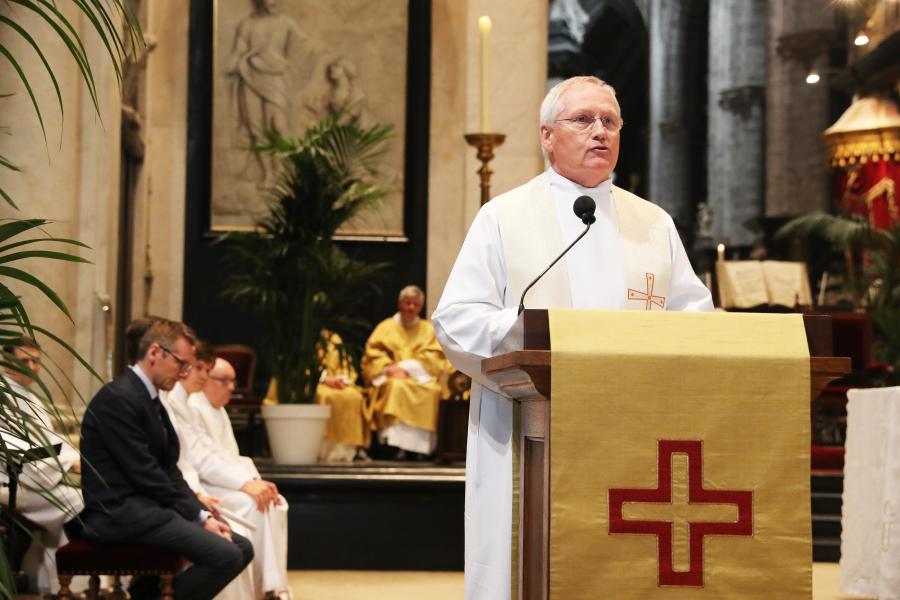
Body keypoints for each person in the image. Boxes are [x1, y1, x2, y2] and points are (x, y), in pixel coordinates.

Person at [431, 76, 714, 599]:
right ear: (546, 135)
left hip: (635, 430)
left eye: (610, 121)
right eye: (583, 119)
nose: (599, 132)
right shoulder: (504, 217)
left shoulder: (653, 223)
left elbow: (695, 314)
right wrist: (524, 332)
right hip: (533, 425)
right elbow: (456, 318)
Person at [80, 320, 253, 600]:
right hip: (120, 514)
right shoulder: (119, 398)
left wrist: (202, 514)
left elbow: (169, 469)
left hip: (148, 508)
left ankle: (144, 594)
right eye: (181, 364)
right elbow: (145, 473)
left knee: (242, 547)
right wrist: (196, 517)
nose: (185, 373)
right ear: (155, 353)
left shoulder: (150, 397)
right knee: (226, 555)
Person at [157, 340, 257, 600]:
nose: (194, 373)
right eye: (193, 366)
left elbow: (187, 460)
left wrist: (196, 497)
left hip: (180, 492)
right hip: (147, 505)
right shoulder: (144, 400)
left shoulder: (177, 402)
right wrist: (196, 501)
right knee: (232, 541)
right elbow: (160, 467)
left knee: (241, 540)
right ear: (154, 355)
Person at [187, 356, 291, 599]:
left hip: (221, 478)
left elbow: (230, 456)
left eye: (233, 381)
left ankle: (271, 585)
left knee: (275, 501)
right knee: (253, 502)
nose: (232, 388)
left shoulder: (217, 410)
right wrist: (246, 484)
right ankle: (265, 586)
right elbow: (201, 459)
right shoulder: (193, 405)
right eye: (224, 381)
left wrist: (253, 481)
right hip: (205, 483)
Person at [0, 338, 83, 595]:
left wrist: (77, 458)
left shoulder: (30, 397)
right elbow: (18, 452)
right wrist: (69, 462)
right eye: (26, 360)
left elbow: (52, 442)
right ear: (6, 361)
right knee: (78, 504)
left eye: (37, 361)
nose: (33, 367)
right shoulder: (4, 398)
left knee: (78, 500)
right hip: (11, 481)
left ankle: (51, 584)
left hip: (36, 478)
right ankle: (66, 585)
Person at [361, 285, 449, 457]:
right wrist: (388, 368)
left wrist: (407, 369)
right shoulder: (385, 327)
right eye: (407, 303)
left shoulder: (427, 329)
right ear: (400, 304)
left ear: (420, 307)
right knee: (396, 387)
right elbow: (373, 354)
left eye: (415, 304)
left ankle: (420, 449)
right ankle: (395, 446)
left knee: (432, 391)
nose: (411, 308)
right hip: (390, 376)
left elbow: (434, 357)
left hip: (418, 377)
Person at [263, 331, 369, 462]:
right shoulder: (299, 332)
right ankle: (321, 450)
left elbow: (345, 365)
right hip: (304, 382)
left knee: (353, 396)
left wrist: (341, 379)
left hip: (333, 381)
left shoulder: (332, 338)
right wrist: (322, 378)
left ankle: (347, 451)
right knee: (326, 396)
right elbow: (294, 365)